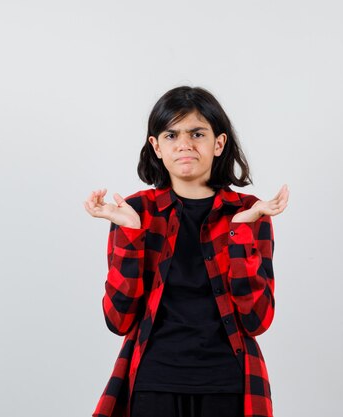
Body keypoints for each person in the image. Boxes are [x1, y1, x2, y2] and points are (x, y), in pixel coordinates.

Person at [83, 86, 289, 417]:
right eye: (171, 134)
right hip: (153, 383)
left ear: (218, 143)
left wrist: (239, 230)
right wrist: (131, 234)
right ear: (156, 146)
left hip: (229, 384)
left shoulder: (250, 212)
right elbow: (118, 319)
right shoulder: (135, 212)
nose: (184, 145)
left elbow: (258, 318)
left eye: (197, 133)